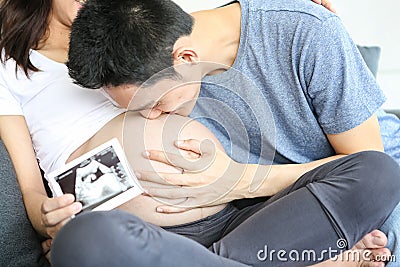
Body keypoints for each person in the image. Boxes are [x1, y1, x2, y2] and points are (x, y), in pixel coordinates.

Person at [0, 0, 395, 267]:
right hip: (143, 235)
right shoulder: (10, 66)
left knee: (379, 173)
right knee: (82, 240)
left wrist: (233, 183)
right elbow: (34, 194)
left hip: (238, 219)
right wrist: (47, 219)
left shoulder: (148, 29)